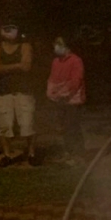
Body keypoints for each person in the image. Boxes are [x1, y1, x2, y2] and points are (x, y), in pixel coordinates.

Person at [0, 19, 37, 166]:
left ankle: (31, 153)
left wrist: (5, 67)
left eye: (12, 28)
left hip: (24, 90)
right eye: (6, 28)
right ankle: (7, 155)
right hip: (3, 92)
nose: (9, 31)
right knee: (5, 126)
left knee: (28, 123)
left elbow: (27, 67)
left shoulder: (25, 46)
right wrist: (18, 65)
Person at [46, 36, 87, 164]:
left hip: (73, 100)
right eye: (55, 44)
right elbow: (52, 78)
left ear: (67, 46)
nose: (56, 47)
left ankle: (79, 154)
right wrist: (51, 92)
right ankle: (69, 152)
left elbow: (76, 80)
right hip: (60, 100)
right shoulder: (56, 62)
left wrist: (64, 92)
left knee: (73, 127)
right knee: (63, 127)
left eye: (59, 44)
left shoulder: (76, 61)